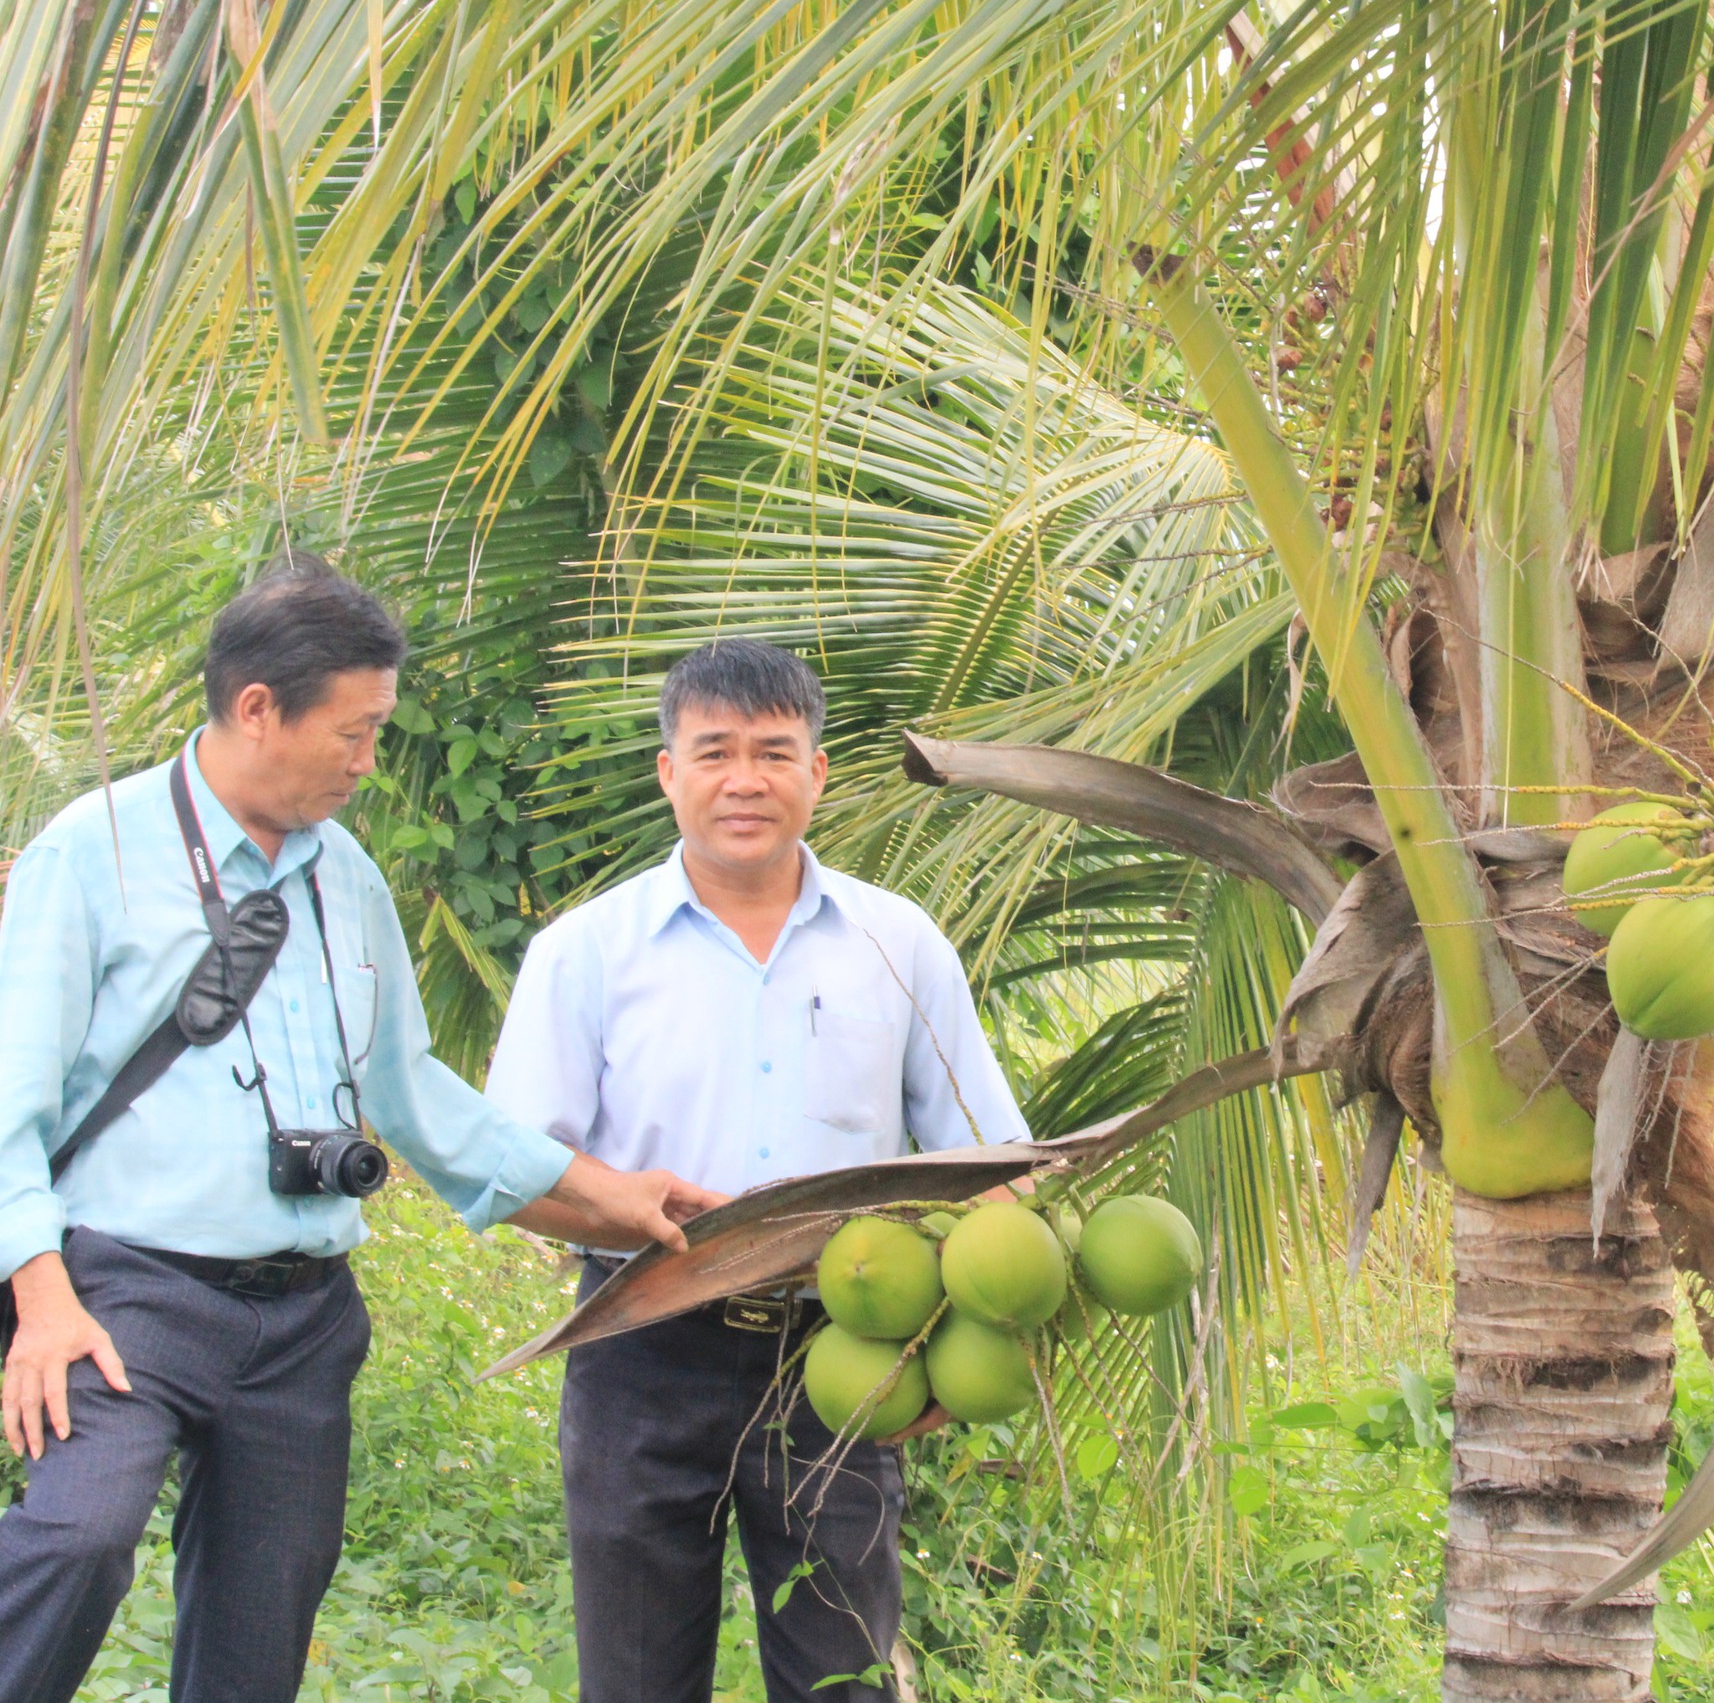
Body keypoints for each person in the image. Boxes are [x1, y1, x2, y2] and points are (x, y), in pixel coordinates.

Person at [0, 560, 724, 1703]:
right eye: (356, 731)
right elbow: (11, 1109)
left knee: (266, 1608)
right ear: (255, 709)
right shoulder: (93, 856)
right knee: (78, 1540)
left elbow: (416, 1094)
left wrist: (607, 1192)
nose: (368, 761)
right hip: (127, 1292)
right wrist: (40, 1296)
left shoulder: (348, 878)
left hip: (302, 1318)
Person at [484, 638, 1032, 1703]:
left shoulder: (898, 943)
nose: (746, 780)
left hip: (843, 1351)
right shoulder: (589, 952)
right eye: (716, 752)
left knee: (846, 1678)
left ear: (817, 773)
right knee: (637, 1680)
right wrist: (624, 1210)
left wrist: (969, 1354)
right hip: (641, 1341)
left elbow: (991, 1167)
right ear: (668, 772)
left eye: (776, 753)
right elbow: (516, 1170)